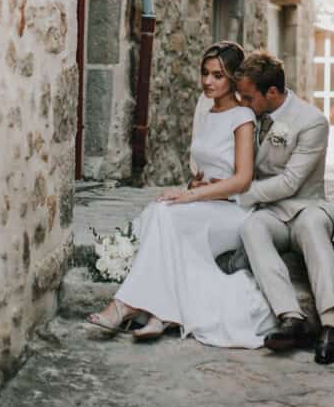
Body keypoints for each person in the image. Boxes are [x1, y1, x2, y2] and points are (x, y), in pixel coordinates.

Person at [88, 41, 277, 346]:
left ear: (232, 79)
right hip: (206, 203)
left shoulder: (243, 117)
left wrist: (191, 197)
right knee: (159, 211)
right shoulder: (206, 111)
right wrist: (191, 188)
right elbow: (203, 171)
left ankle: (124, 306)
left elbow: (242, 179)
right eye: (205, 73)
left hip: (232, 211)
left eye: (217, 75)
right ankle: (161, 315)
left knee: (162, 214)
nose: (207, 81)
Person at [219, 49, 334, 365]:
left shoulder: (312, 122)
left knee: (313, 228)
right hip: (271, 214)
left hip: (306, 207)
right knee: (252, 227)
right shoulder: (249, 117)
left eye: (248, 98)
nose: (243, 104)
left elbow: (289, 183)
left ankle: (331, 325)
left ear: (271, 93)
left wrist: (238, 194)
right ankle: (291, 317)